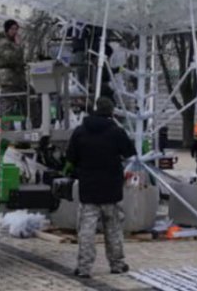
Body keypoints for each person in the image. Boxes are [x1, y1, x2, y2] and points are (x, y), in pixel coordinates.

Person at [67, 96, 135, 277]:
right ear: (111, 112)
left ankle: (84, 267)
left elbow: (71, 158)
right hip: (111, 189)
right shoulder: (117, 132)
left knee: (87, 231)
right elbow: (129, 152)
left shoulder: (80, 131)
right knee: (113, 229)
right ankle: (117, 264)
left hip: (88, 188)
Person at [0, 19, 27, 120]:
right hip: (8, 78)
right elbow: (11, 57)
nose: (15, 32)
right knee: (8, 103)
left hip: (17, 78)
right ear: (7, 29)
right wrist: (18, 46)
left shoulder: (10, 42)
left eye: (16, 29)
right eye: (12, 29)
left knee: (29, 99)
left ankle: (30, 123)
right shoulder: (3, 43)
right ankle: (5, 127)